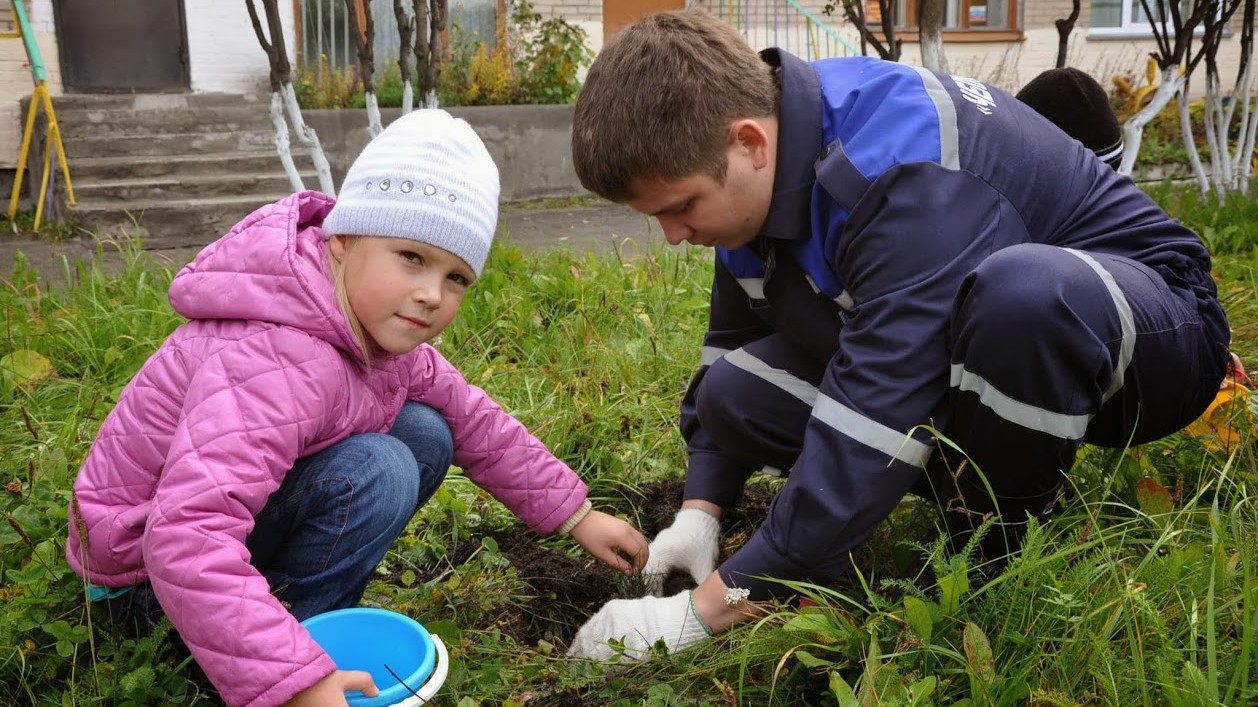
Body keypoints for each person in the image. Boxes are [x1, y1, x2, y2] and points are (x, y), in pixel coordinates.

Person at [565, 9, 1232, 661]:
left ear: (751, 142)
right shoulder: (759, 167)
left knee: (1020, 296)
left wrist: (701, 611)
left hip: (1152, 332)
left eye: (680, 206)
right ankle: (983, 465)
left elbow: (872, 413)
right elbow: (730, 353)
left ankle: (990, 556)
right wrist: (699, 513)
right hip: (976, 344)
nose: (674, 235)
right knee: (733, 391)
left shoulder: (897, 167)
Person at [65, 109, 649, 706]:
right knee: (381, 466)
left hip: (198, 554)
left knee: (426, 429)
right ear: (341, 242)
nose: (431, 294)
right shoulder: (273, 354)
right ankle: (286, 658)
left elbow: (477, 419)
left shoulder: (370, 329)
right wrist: (291, 682)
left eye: (457, 278)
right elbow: (186, 533)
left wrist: (577, 516)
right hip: (146, 585)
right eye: (412, 258)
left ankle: (290, 632)